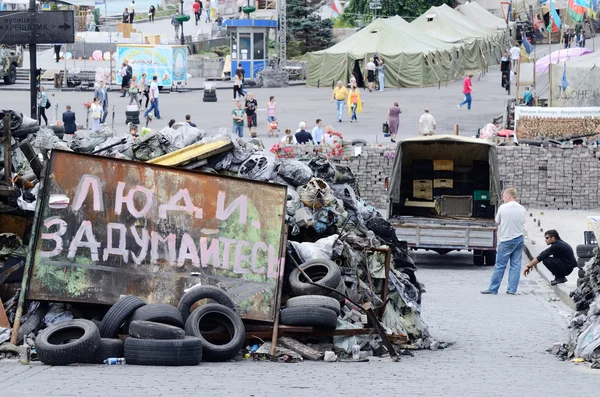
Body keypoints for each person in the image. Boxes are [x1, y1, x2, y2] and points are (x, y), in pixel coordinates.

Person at [481, 188, 526, 295]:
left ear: (509, 196)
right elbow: (523, 221)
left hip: (506, 239)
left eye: (504, 196)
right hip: (519, 238)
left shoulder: (503, 207)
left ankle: (493, 288)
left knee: (500, 265)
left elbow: (497, 222)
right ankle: (511, 290)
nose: (503, 198)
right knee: (515, 265)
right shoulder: (522, 208)